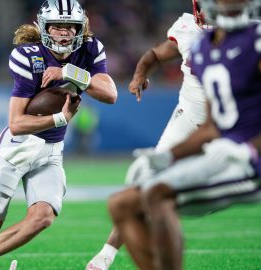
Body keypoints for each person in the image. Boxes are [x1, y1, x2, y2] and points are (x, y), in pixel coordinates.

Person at [0, 0, 118, 268]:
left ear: (80, 28)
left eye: (70, 27)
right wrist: (60, 118)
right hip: (18, 147)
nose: (64, 32)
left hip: (51, 150)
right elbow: (16, 123)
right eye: (57, 26)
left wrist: (67, 72)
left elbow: (110, 94)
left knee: (42, 217)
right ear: (44, 27)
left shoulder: (89, 48)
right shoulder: (28, 55)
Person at [108, 0, 261, 269]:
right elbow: (212, 126)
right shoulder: (202, 47)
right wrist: (167, 156)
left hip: (250, 159)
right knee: (122, 204)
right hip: (221, 147)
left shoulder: (256, 42)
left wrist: (250, 147)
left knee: (156, 194)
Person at [87, 1, 209, 268]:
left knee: (192, 199)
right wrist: (140, 74)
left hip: (229, 128)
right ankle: (106, 254)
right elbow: (155, 54)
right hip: (188, 117)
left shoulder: (250, 34)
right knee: (145, 181)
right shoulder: (188, 28)